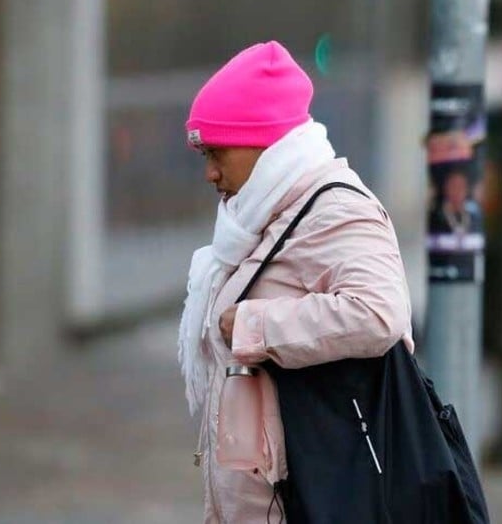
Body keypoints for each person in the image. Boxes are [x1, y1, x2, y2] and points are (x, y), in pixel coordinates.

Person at [178, 41, 415, 523]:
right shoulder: (263, 213)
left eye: (218, 152)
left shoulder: (336, 209)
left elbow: (379, 313)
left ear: (264, 143)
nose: (210, 172)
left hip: (309, 497)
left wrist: (255, 325)